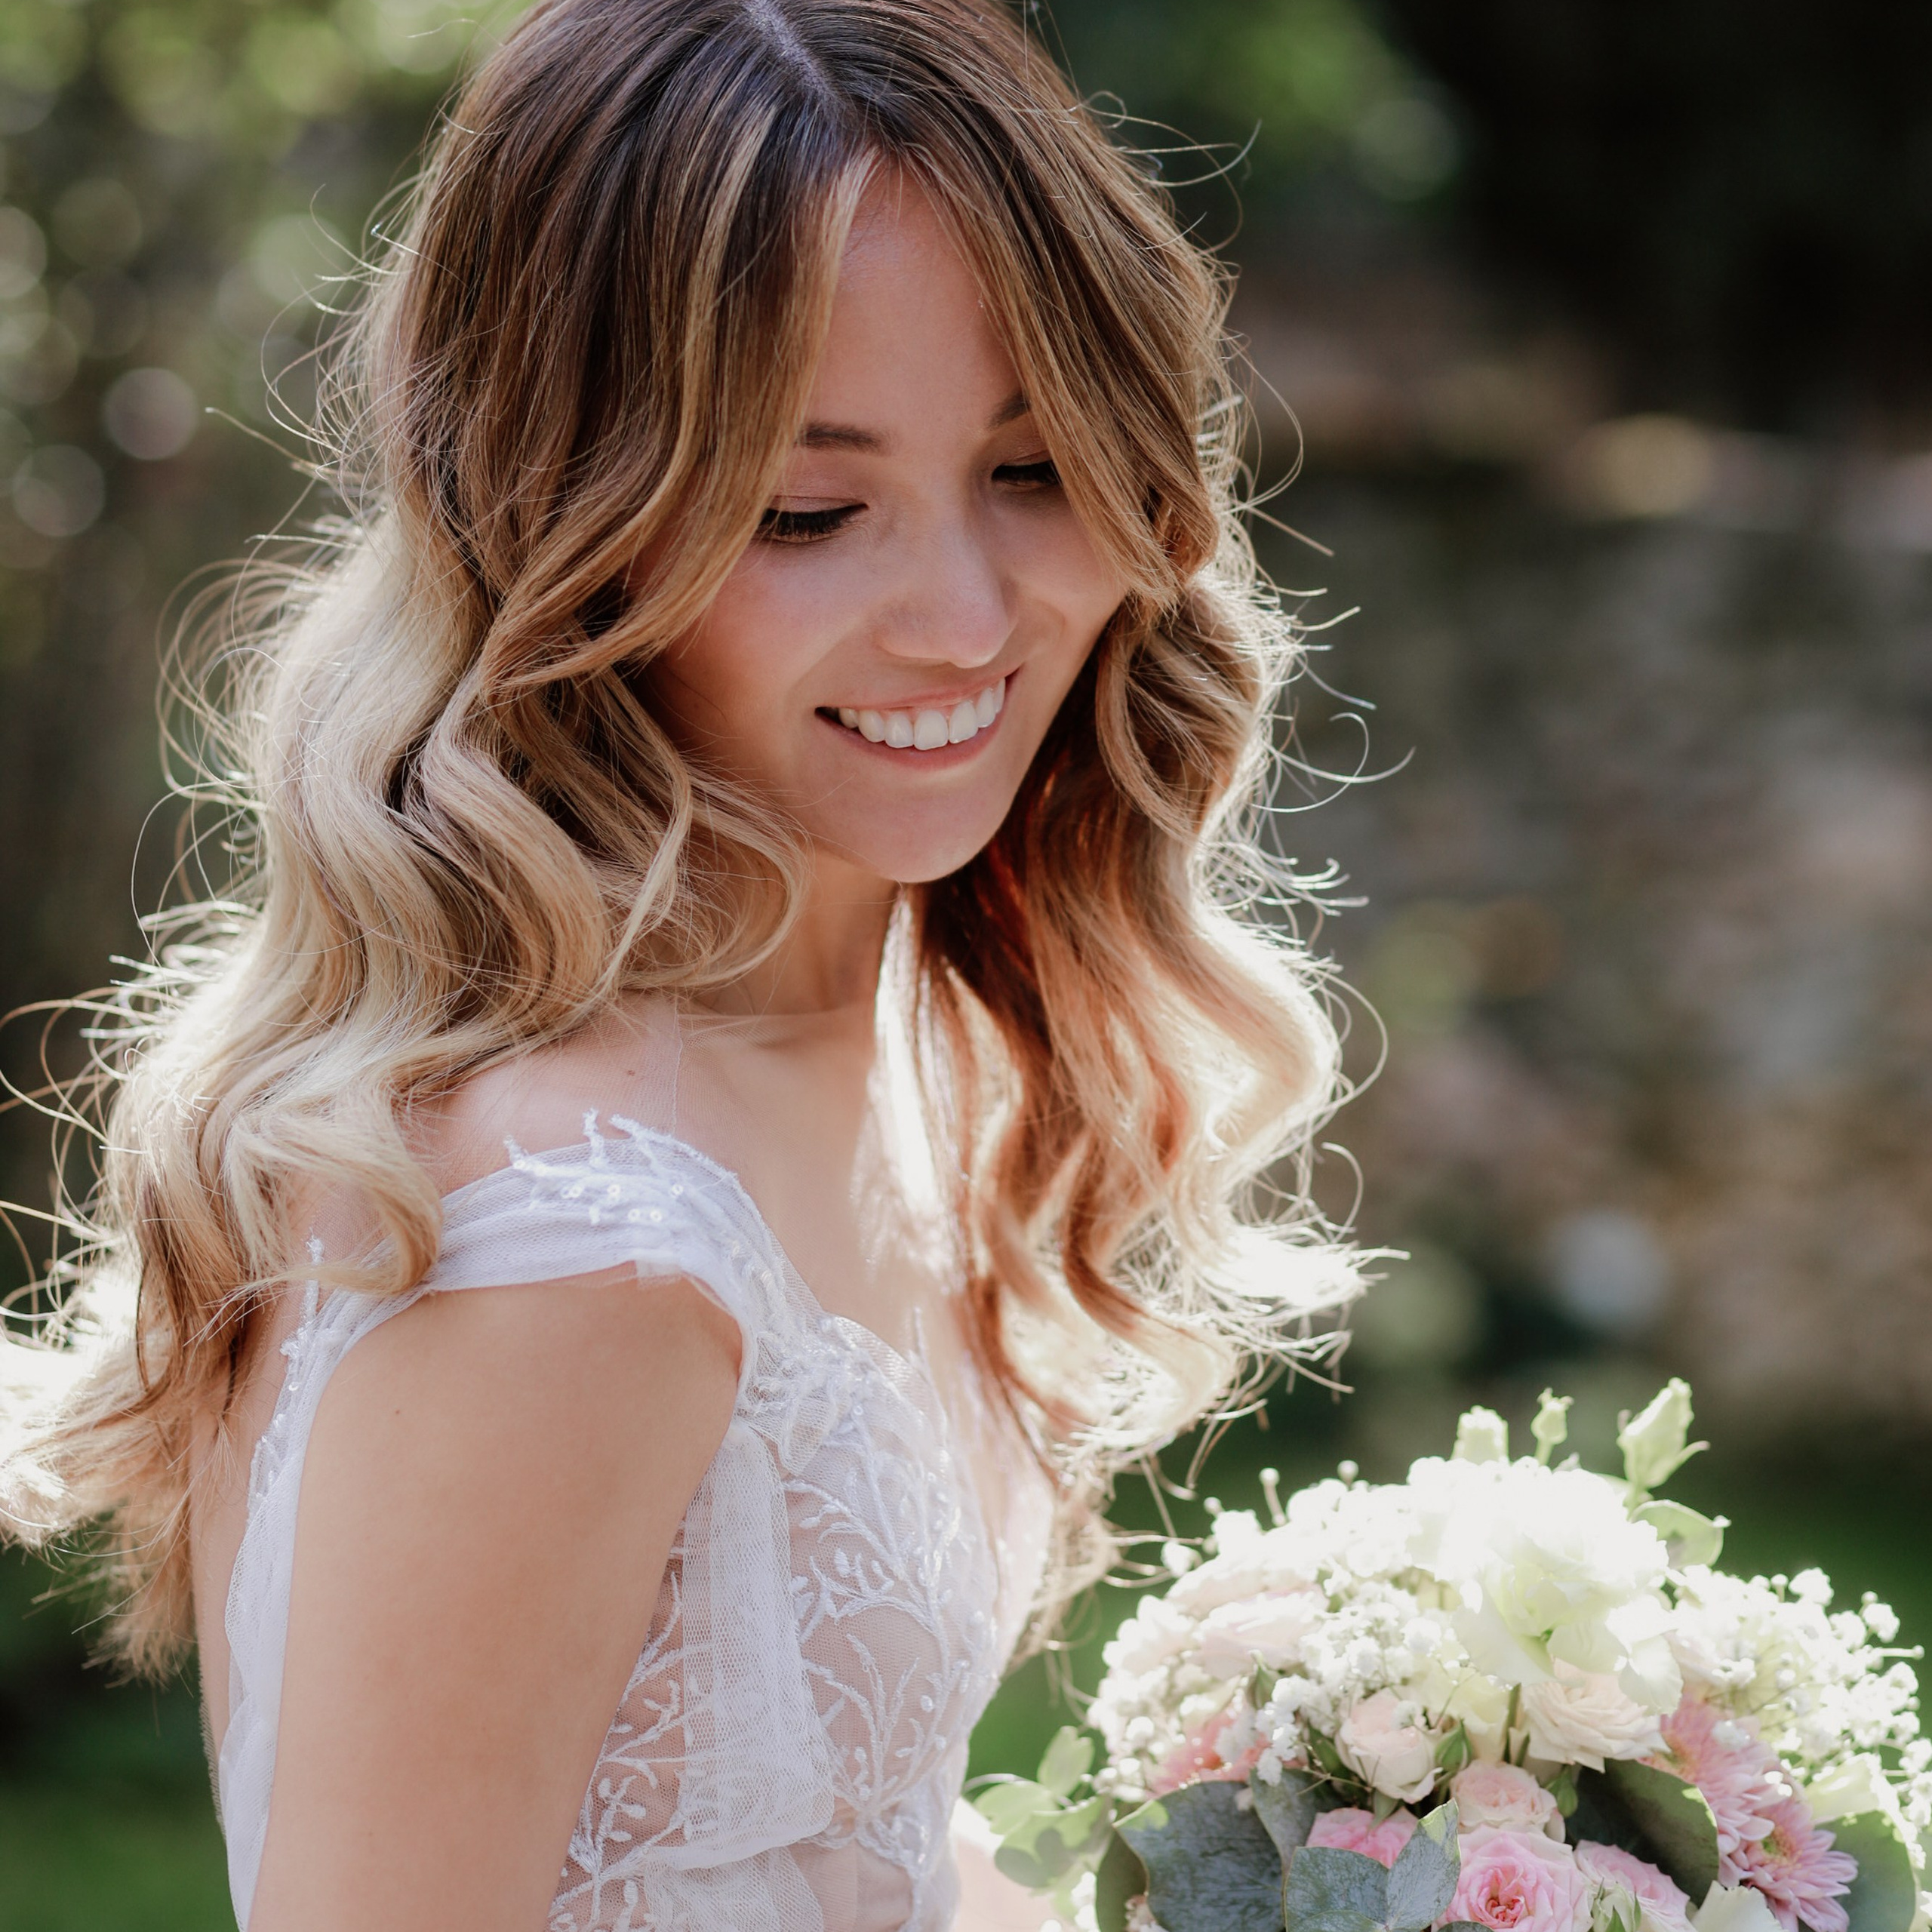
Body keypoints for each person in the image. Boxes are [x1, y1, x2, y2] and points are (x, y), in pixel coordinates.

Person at [0, 2, 1358, 1926]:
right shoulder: (568, 1239)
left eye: (1036, 466)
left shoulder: (871, 1047)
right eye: (810, 512)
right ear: (565, 522)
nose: (966, 617)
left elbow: (834, 1858)